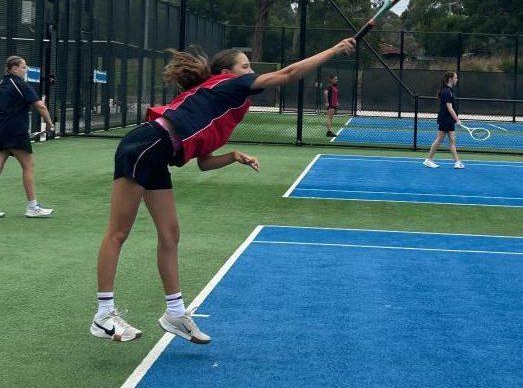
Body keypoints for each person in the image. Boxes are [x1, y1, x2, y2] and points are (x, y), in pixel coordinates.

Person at [91, 38, 356, 344]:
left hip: (158, 154)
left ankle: (175, 314)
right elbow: (289, 74)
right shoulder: (229, 85)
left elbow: (204, 163)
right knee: (118, 233)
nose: (251, 72)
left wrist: (233, 156)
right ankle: (103, 315)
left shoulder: (225, 106)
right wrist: (334, 50)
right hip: (146, 145)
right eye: (245, 66)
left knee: (170, 235)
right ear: (227, 74)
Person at [0, 56, 55, 217]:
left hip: (2, 130)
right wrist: (49, 124)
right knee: (28, 166)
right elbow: (40, 106)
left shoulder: (2, 84)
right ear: (14, 69)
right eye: (23, 67)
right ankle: (32, 207)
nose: (26, 70)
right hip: (16, 131)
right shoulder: (21, 84)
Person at [423, 71, 464, 169]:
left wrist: (455, 119)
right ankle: (429, 160)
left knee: (451, 140)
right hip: (446, 119)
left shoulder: (449, 91)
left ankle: (457, 162)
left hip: (447, 119)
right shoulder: (446, 92)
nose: (457, 79)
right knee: (441, 140)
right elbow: (449, 108)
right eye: (455, 77)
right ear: (450, 79)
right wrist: (457, 120)